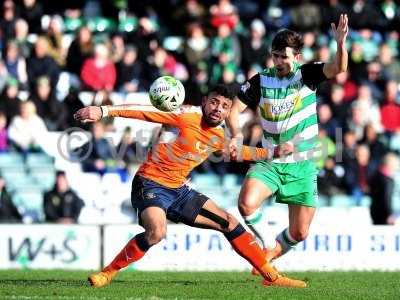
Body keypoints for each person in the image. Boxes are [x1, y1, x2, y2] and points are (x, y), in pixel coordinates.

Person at [74, 85, 305, 288]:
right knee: (157, 232)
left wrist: (272, 152)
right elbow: (144, 112)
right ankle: (108, 273)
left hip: (179, 190)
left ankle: (272, 277)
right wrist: (104, 110)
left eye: (225, 106)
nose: (218, 109)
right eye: (214, 102)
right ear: (204, 101)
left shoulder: (217, 135)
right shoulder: (185, 115)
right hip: (150, 183)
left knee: (229, 222)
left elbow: (237, 152)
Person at [227, 15, 349, 274]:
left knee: (300, 232)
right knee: (246, 204)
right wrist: (236, 135)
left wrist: (340, 44)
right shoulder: (260, 80)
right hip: (270, 160)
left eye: (284, 56)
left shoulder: (307, 75)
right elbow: (234, 110)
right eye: (275, 55)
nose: (279, 61)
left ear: (297, 56)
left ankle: (269, 254)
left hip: (302, 165)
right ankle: (267, 244)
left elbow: (338, 68)